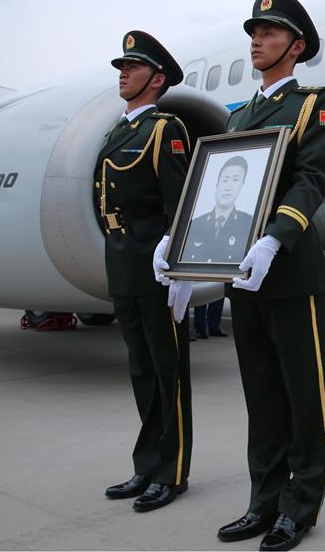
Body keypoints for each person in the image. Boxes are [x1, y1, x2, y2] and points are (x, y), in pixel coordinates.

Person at [211, 0, 325, 552]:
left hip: (287, 269)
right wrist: (188, 244)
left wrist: (275, 237)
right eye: (254, 32)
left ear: (296, 46)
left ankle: (299, 506)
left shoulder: (315, 104)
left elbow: (311, 179)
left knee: (303, 396)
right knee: (261, 396)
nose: (256, 41)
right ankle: (263, 501)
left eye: (269, 32)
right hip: (243, 273)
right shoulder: (238, 117)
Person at [96, 31, 193, 511]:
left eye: (132, 67)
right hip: (122, 260)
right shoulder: (117, 132)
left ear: (156, 79)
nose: (123, 73)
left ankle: (172, 472)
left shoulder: (165, 129)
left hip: (155, 264)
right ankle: (147, 464)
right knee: (141, 369)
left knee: (167, 370)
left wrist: (179, 266)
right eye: (122, 66)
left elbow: (180, 204)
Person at [182, 155, 253, 264]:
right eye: (225, 180)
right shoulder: (194, 225)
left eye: (235, 180)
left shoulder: (249, 224)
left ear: (242, 185)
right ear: (217, 183)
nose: (228, 187)